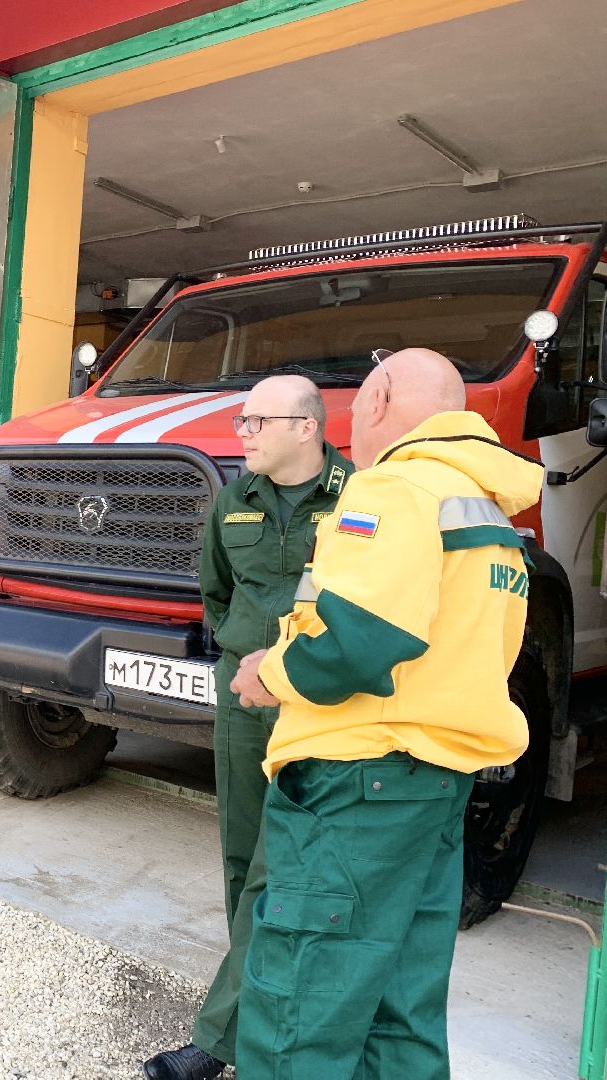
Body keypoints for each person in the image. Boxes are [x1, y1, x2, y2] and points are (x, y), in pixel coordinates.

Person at [229, 348, 543, 1079]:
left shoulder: (392, 490)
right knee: (402, 1013)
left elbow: (355, 641)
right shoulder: (490, 513)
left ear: (375, 403)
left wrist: (267, 673)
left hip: (357, 787)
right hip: (437, 787)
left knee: (300, 1008)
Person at [144, 375, 352, 1080]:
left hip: (320, 703)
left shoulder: (361, 497)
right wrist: (245, 659)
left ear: (305, 427)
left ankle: (222, 1037)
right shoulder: (232, 500)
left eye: (256, 420)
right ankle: (255, 1008)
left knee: (281, 869)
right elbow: (217, 592)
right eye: (242, 421)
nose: (242, 433)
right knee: (242, 861)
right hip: (243, 699)